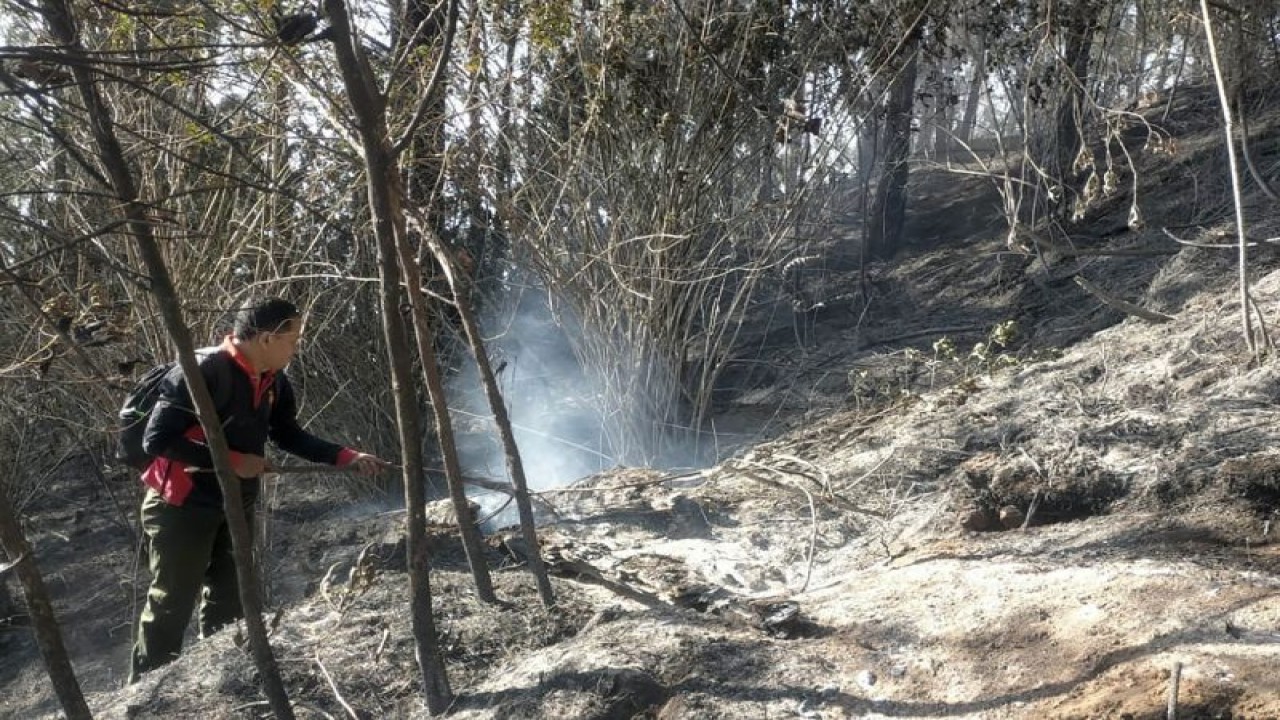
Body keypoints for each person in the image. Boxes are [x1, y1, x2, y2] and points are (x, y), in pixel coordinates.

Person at [129, 297, 389, 682]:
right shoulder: (202, 371)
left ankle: (221, 678)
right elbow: (157, 440)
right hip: (181, 503)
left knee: (231, 595)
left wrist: (346, 457)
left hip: (235, 501)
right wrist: (234, 461)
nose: (295, 348)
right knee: (172, 601)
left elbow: (288, 435)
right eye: (293, 339)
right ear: (267, 338)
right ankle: (145, 694)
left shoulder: (273, 380)